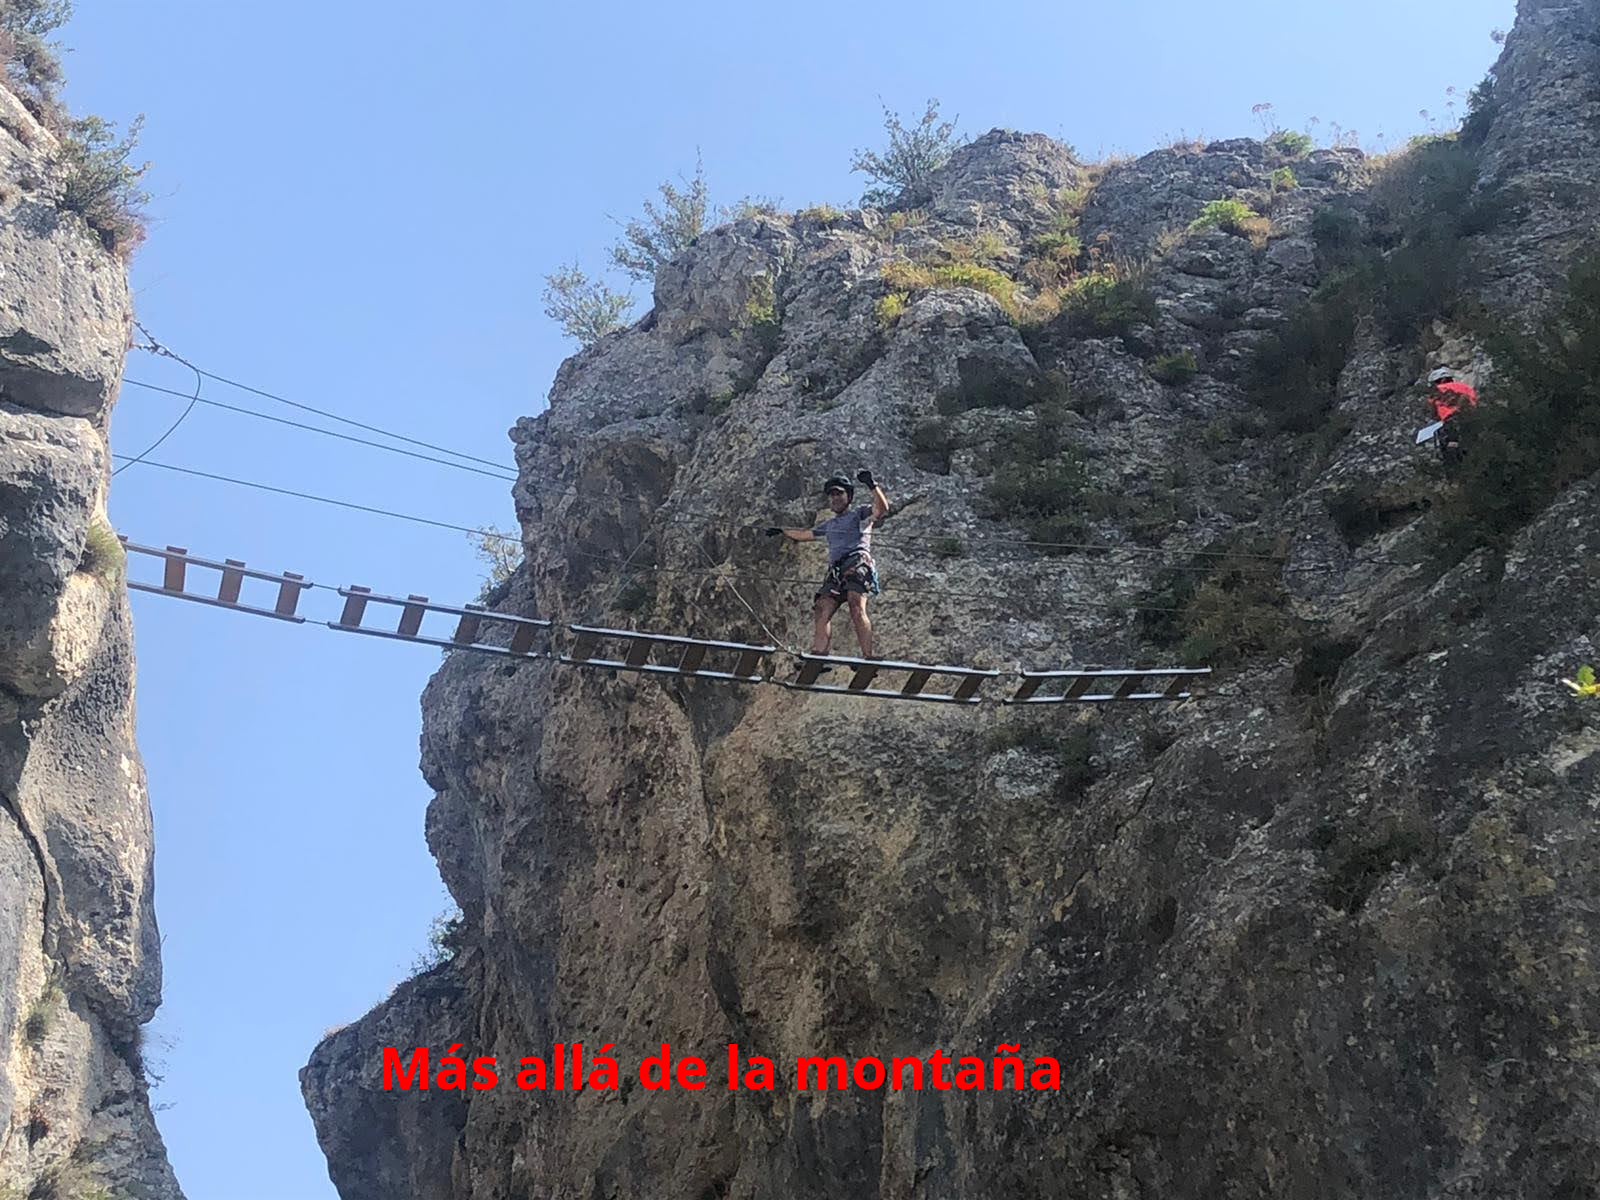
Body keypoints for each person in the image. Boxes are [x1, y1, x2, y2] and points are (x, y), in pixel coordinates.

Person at [765, 469, 890, 659]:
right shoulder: (829, 525)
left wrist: (872, 485)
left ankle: (868, 655)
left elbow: (881, 509)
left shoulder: (859, 514)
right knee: (822, 607)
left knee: (856, 605)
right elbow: (805, 535)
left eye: (839, 493)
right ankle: (819, 655)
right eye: (832, 495)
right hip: (837, 571)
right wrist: (782, 531)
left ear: (849, 496)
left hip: (857, 563)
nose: (835, 498)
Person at [1424, 366, 1478, 465]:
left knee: (1451, 452)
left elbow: (1433, 413)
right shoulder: (1466, 388)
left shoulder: (1437, 390)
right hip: (1472, 421)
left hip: (1451, 424)